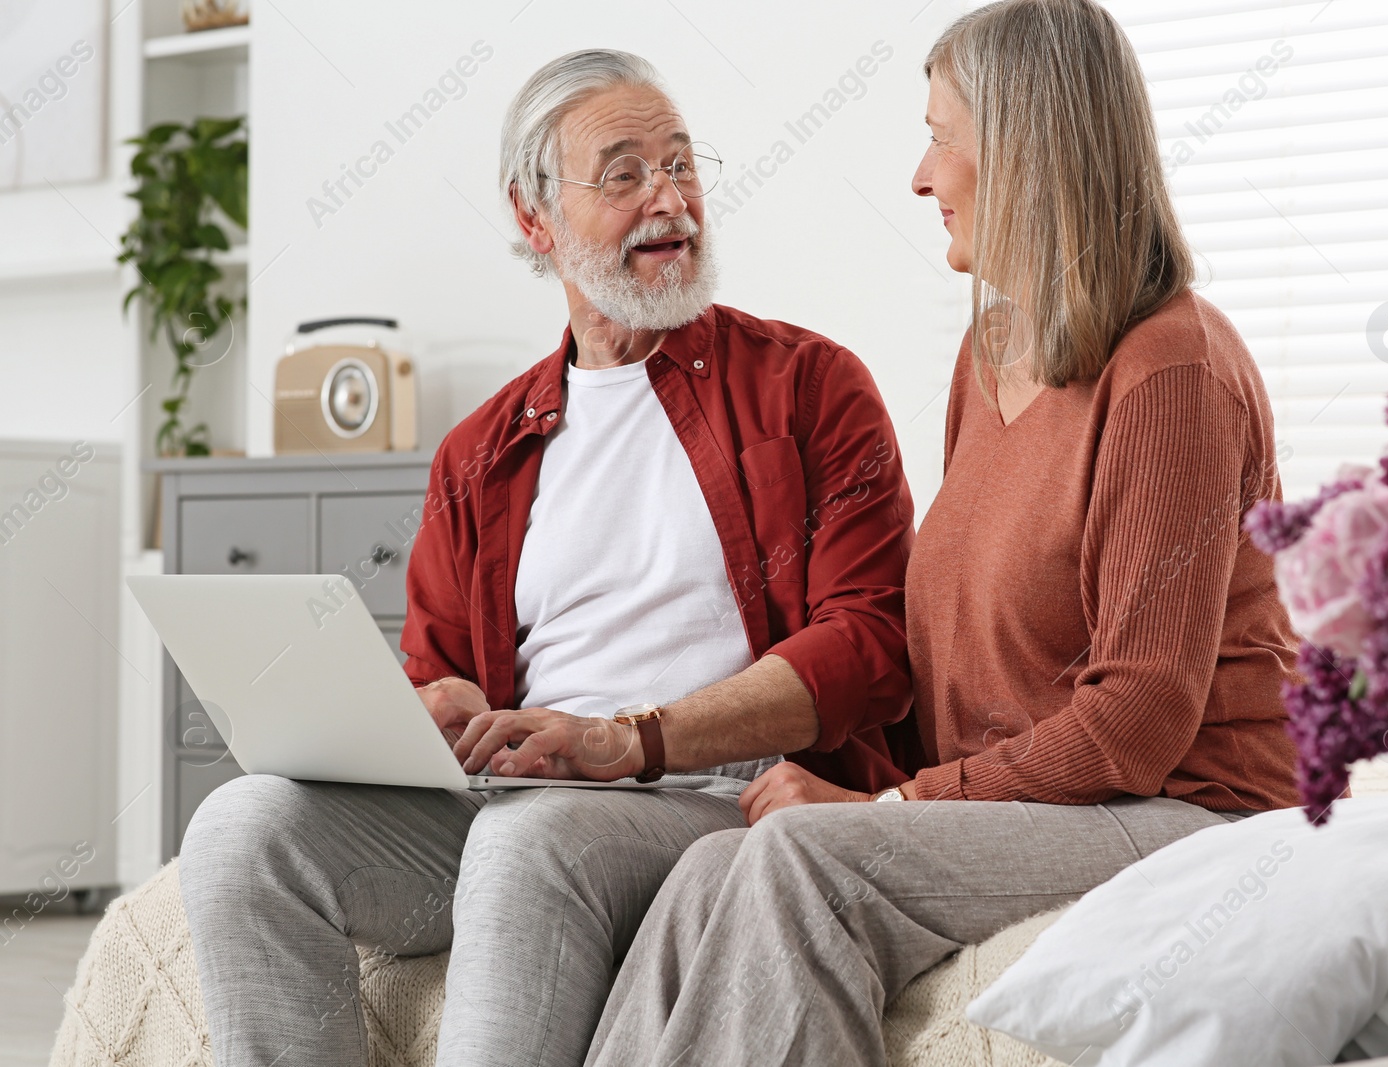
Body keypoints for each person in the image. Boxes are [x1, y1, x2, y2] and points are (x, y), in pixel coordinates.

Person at [584, 2, 1303, 1064]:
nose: (920, 178)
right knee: (708, 867)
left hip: (1191, 809)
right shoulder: (992, 348)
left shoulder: (1170, 370)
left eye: (939, 138)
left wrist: (886, 804)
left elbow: (1137, 719)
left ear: (1023, 150)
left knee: (805, 863)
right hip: (1042, 804)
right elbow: (956, 653)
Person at [177, 49, 915, 1067]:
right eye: (623, 174)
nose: (670, 197)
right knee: (239, 827)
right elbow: (439, 672)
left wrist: (624, 737)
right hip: (506, 805)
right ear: (535, 219)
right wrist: (427, 712)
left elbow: (870, 646)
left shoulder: (808, 385)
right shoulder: (479, 451)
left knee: (534, 839)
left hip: (706, 800)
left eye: (682, 164)